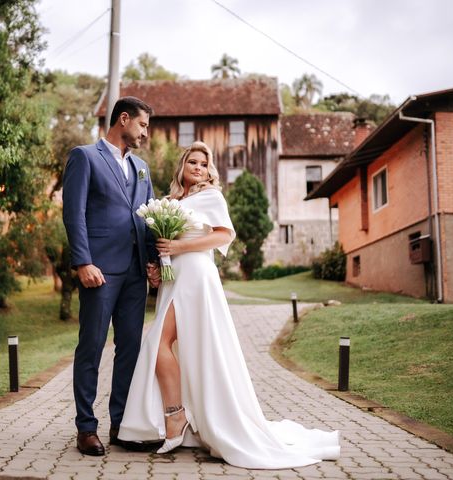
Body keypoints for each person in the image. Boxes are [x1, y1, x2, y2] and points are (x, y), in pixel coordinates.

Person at [117, 141, 340, 469]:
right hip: (174, 278)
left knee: (158, 342)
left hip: (196, 276)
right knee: (171, 345)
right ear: (182, 166)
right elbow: (162, 246)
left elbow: (224, 236)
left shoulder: (212, 197)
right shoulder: (172, 201)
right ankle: (179, 417)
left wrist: (179, 246)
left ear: (210, 170)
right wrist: (158, 264)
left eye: (203, 164)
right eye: (192, 161)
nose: (197, 167)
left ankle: (176, 418)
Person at [62, 96, 161, 456]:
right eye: (143, 125)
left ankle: (122, 424)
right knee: (91, 346)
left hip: (135, 273)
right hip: (99, 272)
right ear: (123, 119)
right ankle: (86, 428)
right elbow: (74, 214)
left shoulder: (142, 168)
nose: (146, 133)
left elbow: (148, 218)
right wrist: (82, 262)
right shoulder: (84, 156)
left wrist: (152, 263)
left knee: (130, 350)